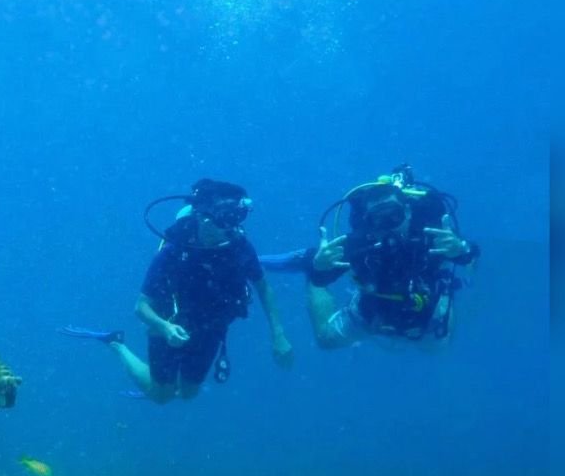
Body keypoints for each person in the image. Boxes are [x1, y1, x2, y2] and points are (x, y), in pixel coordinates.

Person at [67, 179, 292, 403]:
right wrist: (164, 327)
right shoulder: (174, 251)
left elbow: (264, 288)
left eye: (230, 225)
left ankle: (159, 384)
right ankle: (116, 343)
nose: (225, 233)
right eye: (218, 224)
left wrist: (278, 334)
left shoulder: (239, 247)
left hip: (211, 329)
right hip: (169, 323)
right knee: (161, 396)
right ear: (201, 218)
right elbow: (140, 307)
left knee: (188, 394)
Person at [262, 165, 477, 347]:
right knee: (325, 341)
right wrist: (319, 267)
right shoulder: (359, 243)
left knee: (438, 348)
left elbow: (472, 257)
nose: (389, 226)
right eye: (379, 219)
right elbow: (322, 280)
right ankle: (308, 259)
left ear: (408, 211)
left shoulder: (433, 236)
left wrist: (463, 250)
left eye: (394, 215)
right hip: (369, 314)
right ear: (368, 221)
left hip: (426, 314)